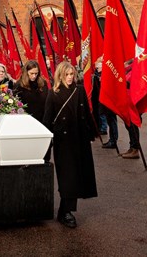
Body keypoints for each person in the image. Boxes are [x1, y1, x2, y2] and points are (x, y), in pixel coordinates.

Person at [43, 61, 97, 228]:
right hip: (63, 141)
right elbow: (47, 118)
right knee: (68, 176)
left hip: (79, 138)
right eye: (66, 75)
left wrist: (92, 132)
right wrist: (46, 142)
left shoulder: (79, 90)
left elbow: (86, 112)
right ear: (60, 75)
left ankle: (65, 210)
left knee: (79, 175)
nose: (69, 78)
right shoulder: (53, 94)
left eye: (71, 74)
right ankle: (66, 212)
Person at [94, 58, 119, 149]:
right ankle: (112, 139)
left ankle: (113, 140)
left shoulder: (107, 72)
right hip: (105, 98)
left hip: (110, 98)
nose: (97, 69)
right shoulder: (100, 73)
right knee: (109, 119)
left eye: (98, 67)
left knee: (111, 119)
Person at [13, 60, 48, 125]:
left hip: (42, 120)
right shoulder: (19, 85)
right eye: (31, 73)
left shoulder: (43, 83)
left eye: (36, 73)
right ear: (26, 72)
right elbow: (17, 105)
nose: (34, 76)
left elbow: (46, 101)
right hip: (26, 120)